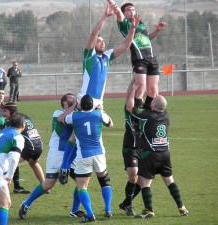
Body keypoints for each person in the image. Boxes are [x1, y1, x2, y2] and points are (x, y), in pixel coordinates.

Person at [59, 2, 139, 187]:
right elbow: (93, 34)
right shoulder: (89, 56)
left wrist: (133, 28)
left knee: (77, 137)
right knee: (73, 133)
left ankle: (69, 168)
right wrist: (105, 16)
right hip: (84, 103)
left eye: (103, 41)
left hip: (97, 104)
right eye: (99, 41)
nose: (102, 42)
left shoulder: (107, 56)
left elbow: (126, 45)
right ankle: (69, 167)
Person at [126, 83, 189, 219]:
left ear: (153, 106)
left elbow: (130, 107)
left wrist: (133, 91)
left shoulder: (147, 116)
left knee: (144, 182)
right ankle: (182, 207)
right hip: (165, 153)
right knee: (169, 181)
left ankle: (149, 210)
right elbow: (159, 103)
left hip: (150, 153)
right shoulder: (166, 115)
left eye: (152, 102)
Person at [19, 93, 85, 220]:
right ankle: (26, 204)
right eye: (72, 99)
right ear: (65, 103)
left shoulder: (77, 114)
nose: (75, 100)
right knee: (49, 184)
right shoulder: (58, 113)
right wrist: (76, 105)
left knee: (81, 183)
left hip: (72, 153)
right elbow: (62, 118)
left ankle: (74, 210)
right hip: (57, 152)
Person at [61, 95, 114, 223]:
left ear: (81, 105)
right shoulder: (99, 114)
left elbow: (63, 120)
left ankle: (90, 214)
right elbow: (111, 124)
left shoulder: (74, 116)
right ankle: (108, 209)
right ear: (92, 105)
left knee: (82, 187)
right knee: (105, 181)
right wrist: (102, 110)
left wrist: (76, 108)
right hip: (99, 154)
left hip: (83, 155)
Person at [108, 0, 167, 108]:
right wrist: (111, 2)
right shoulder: (124, 24)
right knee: (140, 87)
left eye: (133, 9)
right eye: (128, 10)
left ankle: (149, 115)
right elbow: (116, 9)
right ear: (123, 13)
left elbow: (146, 38)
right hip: (139, 59)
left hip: (152, 58)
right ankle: (137, 115)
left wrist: (157, 31)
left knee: (153, 90)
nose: (131, 11)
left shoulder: (140, 23)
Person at [3, 102, 44, 194]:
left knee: (9, 163)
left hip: (29, 147)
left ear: (11, 111)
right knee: (33, 163)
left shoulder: (14, 121)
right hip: (39, 145)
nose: (4, 113)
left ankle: (3, 189)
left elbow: (11, 136)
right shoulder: (25, 116)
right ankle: (45, 186)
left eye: (5, 111)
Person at [119, 78, 142, 217]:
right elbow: (128, 101)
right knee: (133, 176)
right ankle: (129, 206)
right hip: (129, 148)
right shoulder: (129, 113)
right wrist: (133, 83)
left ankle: (126, 202)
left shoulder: (146, 114)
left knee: (144, 180)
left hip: (143, 149)